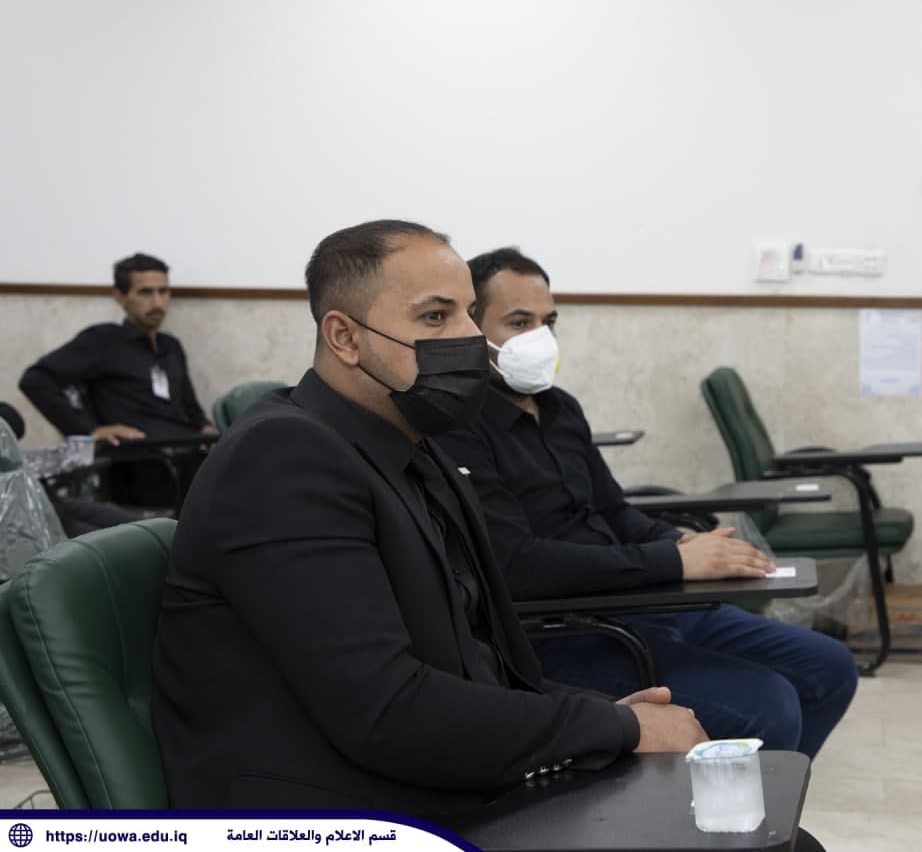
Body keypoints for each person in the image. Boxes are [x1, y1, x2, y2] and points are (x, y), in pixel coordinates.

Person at [150, 220, 707, 816]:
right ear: (345, 337)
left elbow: (479, 666)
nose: (469, 338)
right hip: (335, 814)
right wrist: (615, 728)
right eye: (435, 317)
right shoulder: (283, 459)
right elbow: (386, 713)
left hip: (441, 781)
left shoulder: (415, 448)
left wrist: (607, 718)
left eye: (469, 314)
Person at [435, 247, 859, 760]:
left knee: (829, 667)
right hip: (563, 632)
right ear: (472, 328)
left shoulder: (561, 408)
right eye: (520, 322)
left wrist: (686, 544)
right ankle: (723, 803)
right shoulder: (458, 428)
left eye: (550, 322)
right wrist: (671, 561)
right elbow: (515, 565)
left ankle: (758, 800)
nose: (541, 338)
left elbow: (614, 512)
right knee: (767, 705)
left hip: (639, 601)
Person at [19, 253, 217, 507]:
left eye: (163, 291)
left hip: (188, 451)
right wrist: (90, 431)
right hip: (144, 463)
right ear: (120, 297)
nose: (157, 302)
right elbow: (35, 380)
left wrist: (206, 428)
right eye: (145, 292)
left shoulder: (171, 347)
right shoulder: (103, 341)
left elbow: (190, 406)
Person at [0, 401, 140, 537]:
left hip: (48, 503)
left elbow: (14, 422)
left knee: (141, 528)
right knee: (110, 543)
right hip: (20, 520)